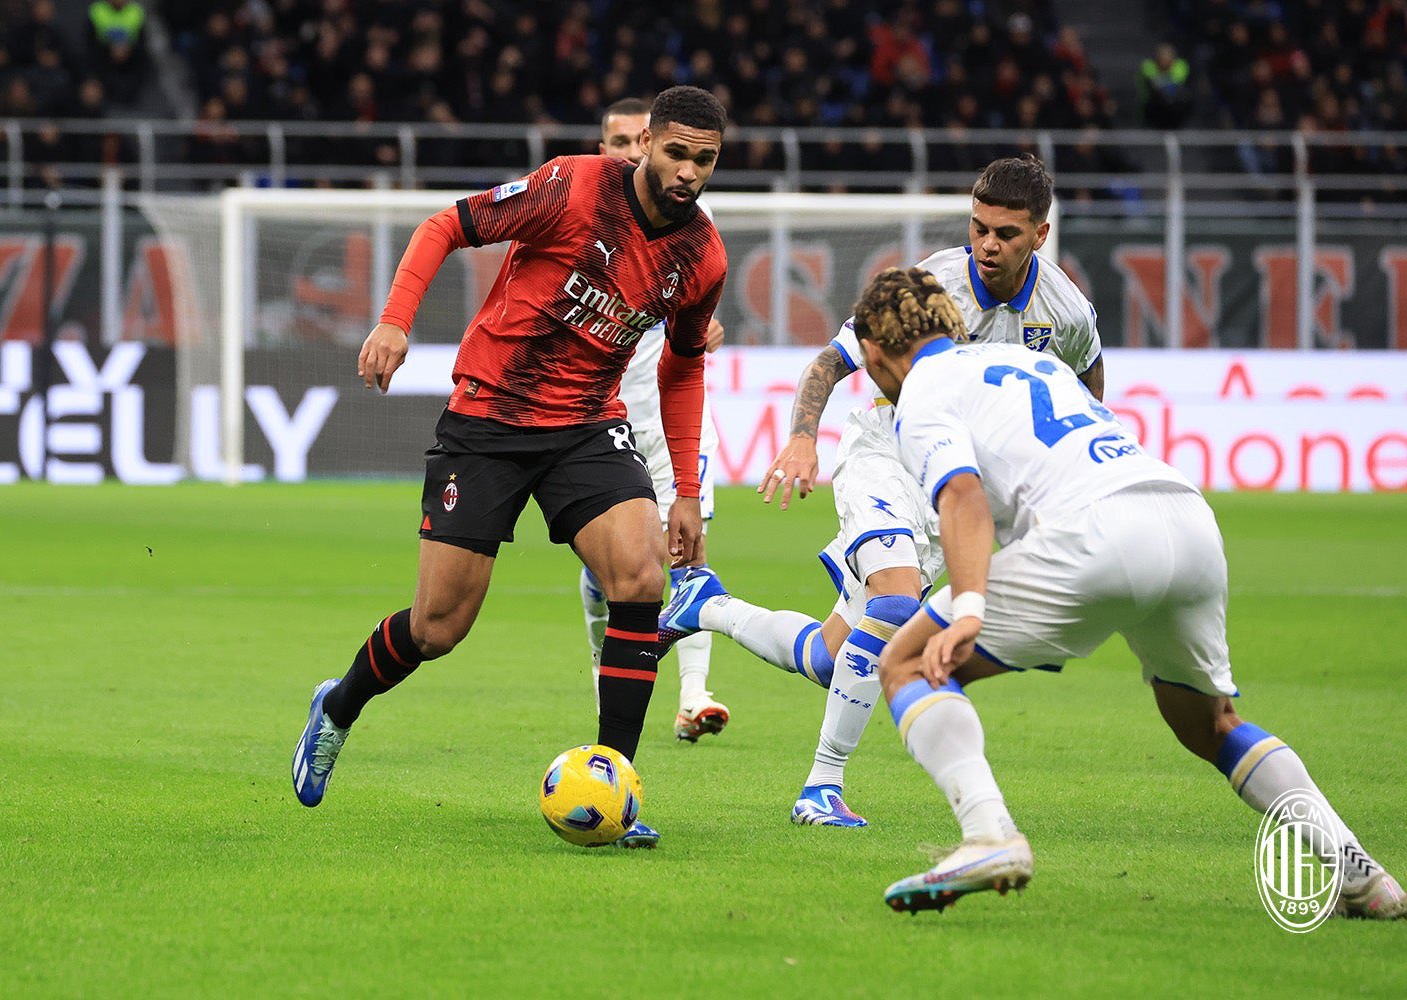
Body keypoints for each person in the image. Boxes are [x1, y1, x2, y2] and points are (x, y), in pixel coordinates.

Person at [849, 266, 1404, 918]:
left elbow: (962, 495)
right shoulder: (1032, 363)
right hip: (1184, 519)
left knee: (908, 662)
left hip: (1096, 535)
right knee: (1209, 722)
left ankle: (989, 836)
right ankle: (1363, 876)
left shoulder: (921, 393)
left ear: (875, 354)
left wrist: (968, 608)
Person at [291, 86, 730, 849]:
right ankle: (338, 707)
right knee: (437, 627)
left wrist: (685, 491)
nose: (688, 171)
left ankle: (615, 787)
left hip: (588, 425)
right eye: (676, 152)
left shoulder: (702, 256)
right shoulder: (572, 186)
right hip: (489, 418)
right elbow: (446, 226)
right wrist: (396, 322)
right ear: (647, 145)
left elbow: (683, 369)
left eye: (705, 159)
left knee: (640, 578)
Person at [660, 155, 1103, 827]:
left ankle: (706, 605)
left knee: (833, 656)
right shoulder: (928, 285)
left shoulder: (1066, 311)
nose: (987, 245)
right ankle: (821, 788)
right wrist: (803, 437)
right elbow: (830, 362)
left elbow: (1087, 383)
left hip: (954, 491)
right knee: (896, 607)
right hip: (886, 456)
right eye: (979, 228)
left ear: (1040, 235)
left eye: (1005, 234)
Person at [584, 97, 730, 744]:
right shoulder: (584, 208)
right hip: (592, 414)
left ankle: (694, 695)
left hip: (661, 412)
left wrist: (697, 331)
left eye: (632, 138)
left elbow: (696, 310)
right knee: (603, 572)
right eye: (614, 139)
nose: (624, 149)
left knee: (686, 551)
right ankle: (604, 676)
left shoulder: (690, 221)